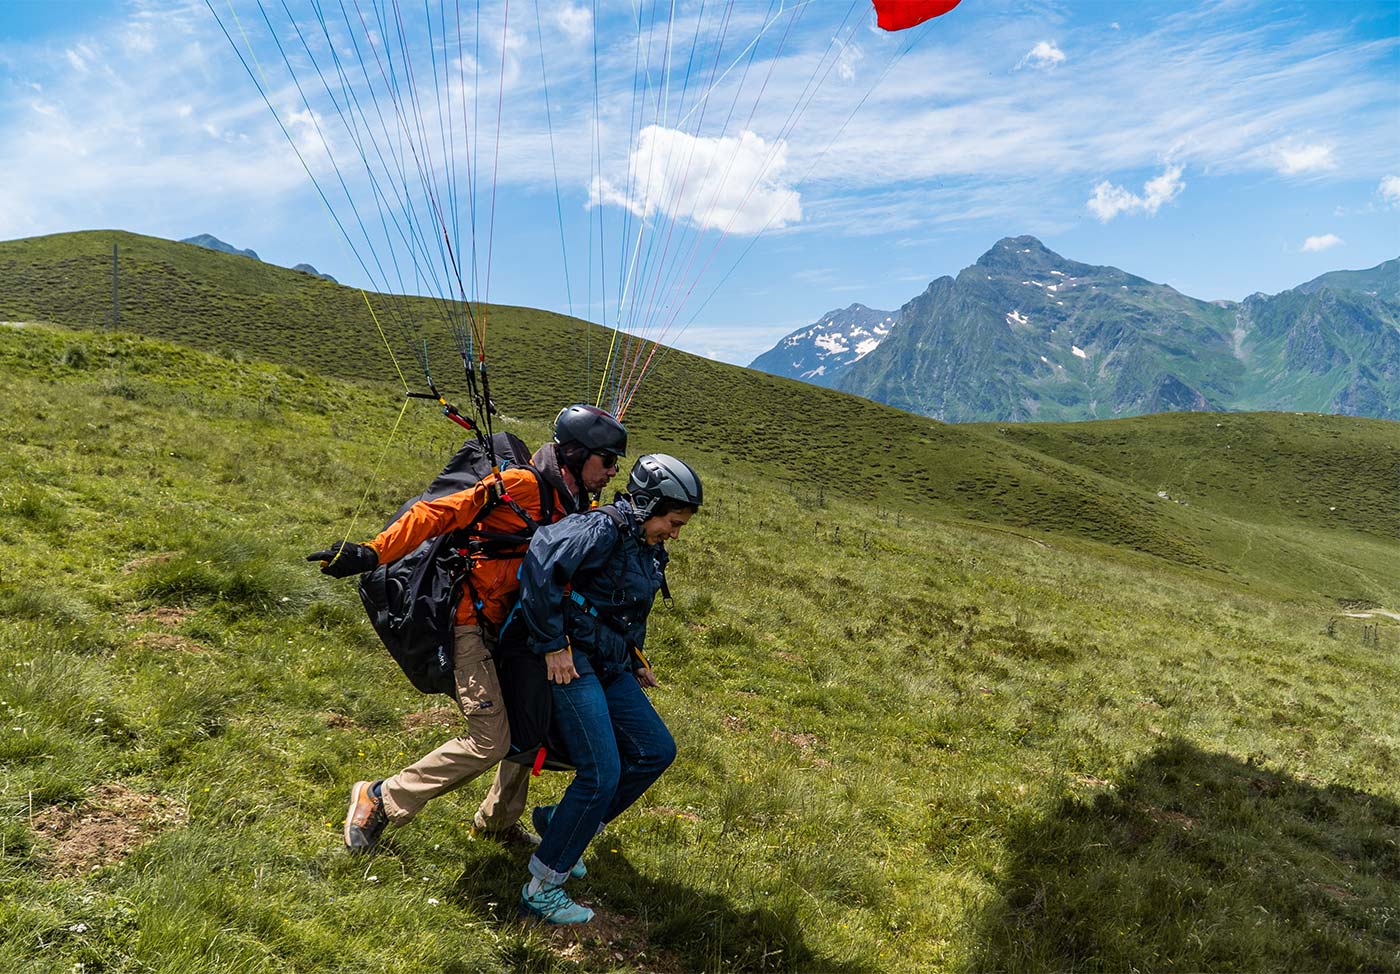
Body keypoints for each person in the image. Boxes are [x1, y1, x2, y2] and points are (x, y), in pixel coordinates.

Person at [306, 405, 628, 854]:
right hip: (469, 625)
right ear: (577, 454)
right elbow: (439, 513)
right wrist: (371, 552)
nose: (614, 471)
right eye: (608, 460)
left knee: (529, 722)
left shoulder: (577, 504)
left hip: (517, 629)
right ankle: (381, 797)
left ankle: (497, 822)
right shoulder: (518, 486)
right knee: (490, 740)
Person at [514, 453, 703, 925]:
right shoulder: (601, 528)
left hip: (611, 661)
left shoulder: (645, 544)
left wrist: (635, 658)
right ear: (648, 504)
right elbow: (539, 564)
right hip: (572, 660)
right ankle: (543, 887)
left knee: (656, 750)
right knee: (601, 773)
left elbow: (624, 606)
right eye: (673, 522)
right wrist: (553, 644)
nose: (675, 534)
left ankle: (562, 825)